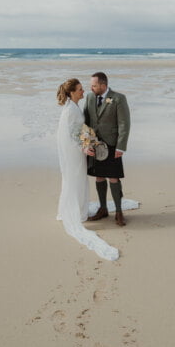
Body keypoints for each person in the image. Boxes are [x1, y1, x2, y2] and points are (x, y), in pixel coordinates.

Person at [56, 78, 119, 261]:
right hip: (75, 152)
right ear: (72, 92)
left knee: (78, 179)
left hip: (78, 150)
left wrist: (87, 139)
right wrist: (83, 147)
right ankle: (75, 211)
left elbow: (80, 130)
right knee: (75, 179)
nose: (84, 92)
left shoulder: (74, 107)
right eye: (80, 90)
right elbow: (70, 134)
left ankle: (79, 208)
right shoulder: (69, 110)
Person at [84, 72, 131, 226]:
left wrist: (121, 147)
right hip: (96, 144)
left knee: (113, 177)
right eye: (91, 84)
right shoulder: (90, 98)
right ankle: (103, 209)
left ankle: (118, 211)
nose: (91, 87)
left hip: (112, 144)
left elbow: (124, 124)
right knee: (99, 176)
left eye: (94, 85)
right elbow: (86, 120)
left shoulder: (118, 98)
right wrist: (86, 142)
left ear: (103, 86)